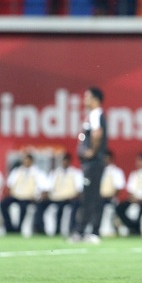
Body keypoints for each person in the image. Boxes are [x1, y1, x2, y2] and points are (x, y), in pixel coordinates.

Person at [69, 86, 108, 244]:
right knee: (93, 196)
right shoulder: (95, 115)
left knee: (88, 197)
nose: (84, 100)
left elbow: (97, 133)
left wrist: (91, 151)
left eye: (87, 97)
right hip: (94, 164)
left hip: (93, 163)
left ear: (95, 99)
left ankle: (82, 232)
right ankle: (92, 232)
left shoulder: (95, 114)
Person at [34, 152, 83, 236]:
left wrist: (73, 196)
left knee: (75, 204)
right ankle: (40, 229)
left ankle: (72, 229)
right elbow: (48, 188)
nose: (65, 163)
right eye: (63, 161)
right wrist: (45, 195)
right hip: (56, 198)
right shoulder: (55, 173)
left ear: (70, 162)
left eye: (67, 161)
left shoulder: (76, 173)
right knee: (40, 204)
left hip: (69, 198)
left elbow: (79, 190)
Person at [1, 153, 49, 234]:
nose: (26, 162)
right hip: (17, 196)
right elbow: (9, 186)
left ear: (32, 161)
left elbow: (44, 188)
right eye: (25, 160)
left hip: (29, 197)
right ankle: (9, 227)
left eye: (28, 161)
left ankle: (19, 228)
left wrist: (38, 197)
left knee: (23, 206)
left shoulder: (38, 173)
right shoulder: (17, 171)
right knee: (3, 204)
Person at [99, 149, 126, 236]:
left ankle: (108, 230)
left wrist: (109, 196)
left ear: (111, 159)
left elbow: (118, 188)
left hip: (110, 199)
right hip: (99, 198)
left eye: (106, 158)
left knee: (107, 208)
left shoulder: (116, 172)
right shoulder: (98, 171)